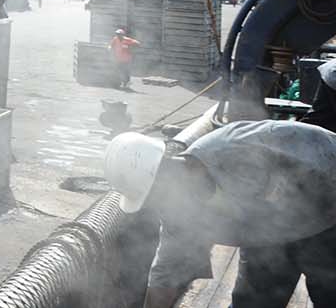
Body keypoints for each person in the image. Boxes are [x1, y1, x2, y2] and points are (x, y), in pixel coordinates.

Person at [105, 121, 336, 308]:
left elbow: (321, 149)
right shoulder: (180, 213)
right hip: (269, 239)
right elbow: (166, 272)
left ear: (164, 173)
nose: (158, 205)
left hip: (328, 219)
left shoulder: (235, 146)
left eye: (154, 195)